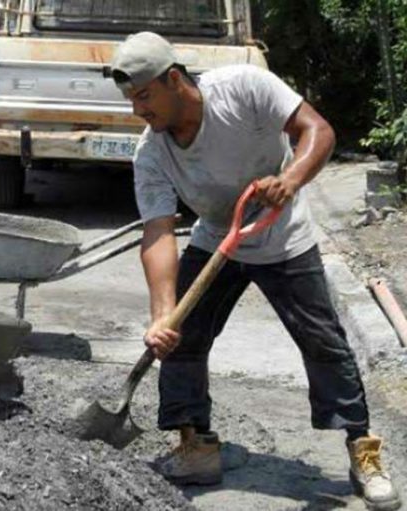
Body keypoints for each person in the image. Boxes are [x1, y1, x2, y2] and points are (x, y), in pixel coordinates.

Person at [110, 32, 401, 511]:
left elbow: (317, 131)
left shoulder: (244, 87)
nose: (138, 110)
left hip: (282, 233)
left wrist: (289, 180)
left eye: (144, 96)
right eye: (131, 99)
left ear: (175, 80)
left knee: (324, 344)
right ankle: (196, 446)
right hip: (217, 235)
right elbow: (158, 233)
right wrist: (163, 315)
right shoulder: (152, 152)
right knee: (181, 339)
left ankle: (363, 452)